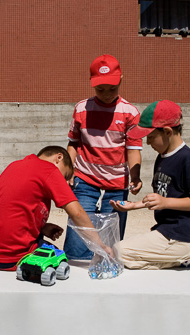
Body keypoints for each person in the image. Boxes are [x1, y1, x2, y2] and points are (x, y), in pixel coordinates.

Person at [0, 146, 114, 271]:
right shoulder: (48, 169)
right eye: (65, 176)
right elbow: (77, 212)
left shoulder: (15, 165)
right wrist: (100, 245)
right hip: (11, 257)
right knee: (58, 256)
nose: (65, 182)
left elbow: (13, 210)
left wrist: (42, 228)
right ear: (59, 158)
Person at [110, 100, 190, 269]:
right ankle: (179, 259)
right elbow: (161, 197)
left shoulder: (188, 159)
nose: (148, 143)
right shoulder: (162, 157)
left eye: (150, 137)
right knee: (120, 255)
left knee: (118, 251)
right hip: (165, 232)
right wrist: (134, 205)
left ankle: (186, 256)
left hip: (182, 239)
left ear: (167, 131)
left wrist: (166, 202)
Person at [64, 54, 143, 261]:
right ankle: (76, 268)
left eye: (112, 89)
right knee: (79, 232)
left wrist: (135, 176)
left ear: (121, 80)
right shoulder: (82, 108)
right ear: (91, 83)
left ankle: (106, 268)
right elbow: (73, 143)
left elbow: (133, 149)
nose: (107, 94)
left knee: (110, 236)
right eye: (100, 89)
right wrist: (69, 171)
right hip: (85, 179)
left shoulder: (130, 112)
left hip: (117, 183)